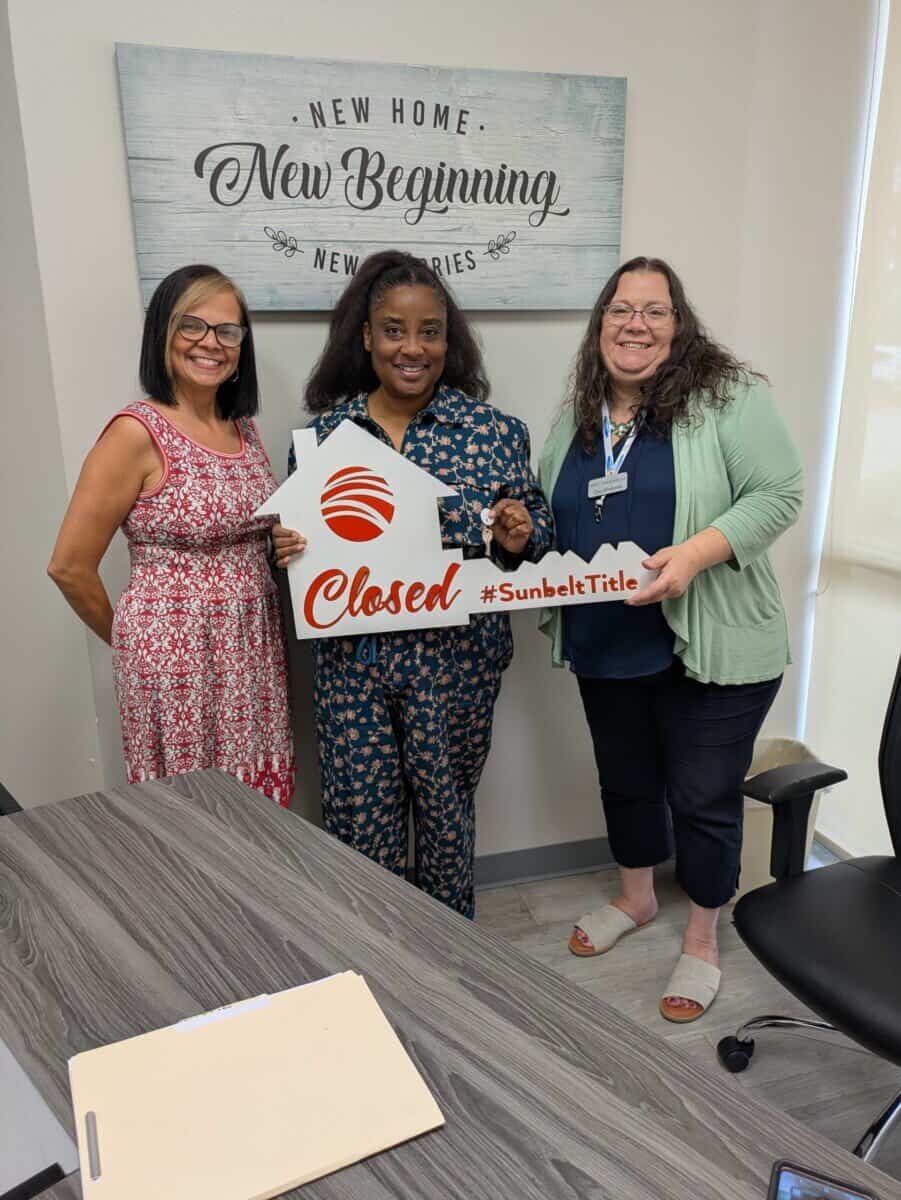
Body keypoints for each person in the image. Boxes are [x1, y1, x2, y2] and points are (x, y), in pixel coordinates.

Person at [537, 256, 803, 1022]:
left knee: (701, 798)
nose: (635, 325)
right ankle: (635, 898)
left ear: (678, 324)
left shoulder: (727, 396)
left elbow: (778, 493)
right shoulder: (581, 414)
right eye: (620, 309)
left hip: (711, 644)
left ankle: (701, 937)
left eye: (654, 311)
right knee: (624, 781)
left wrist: (693, 555)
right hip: (606, 639)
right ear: (600, 324)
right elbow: (555, 513)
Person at [274, 250, 552, 918]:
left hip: (455, 667)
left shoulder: (494, 433)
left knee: (446, 826)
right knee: (359, 830)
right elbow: (302, 550)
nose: (412, 348)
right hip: (353, 669)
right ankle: (372, 957)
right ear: (366, 337)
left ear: (447, 342)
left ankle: (446, 961)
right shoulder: (324, 437)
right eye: (394, 330)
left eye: (429, 332)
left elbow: (536, 532)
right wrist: (282, 547)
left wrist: (518, 533)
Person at [48, 264, 296, 804]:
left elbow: (244, 533)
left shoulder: (244, 429)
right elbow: (68, 566)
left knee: (256, 811)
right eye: (192, 325)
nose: (211, 343)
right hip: (178, 663)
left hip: (252, 651)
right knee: (191, 814)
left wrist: (278, 545)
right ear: (162, 332)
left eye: (227, 330)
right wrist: (138, 641)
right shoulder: (135, 433)